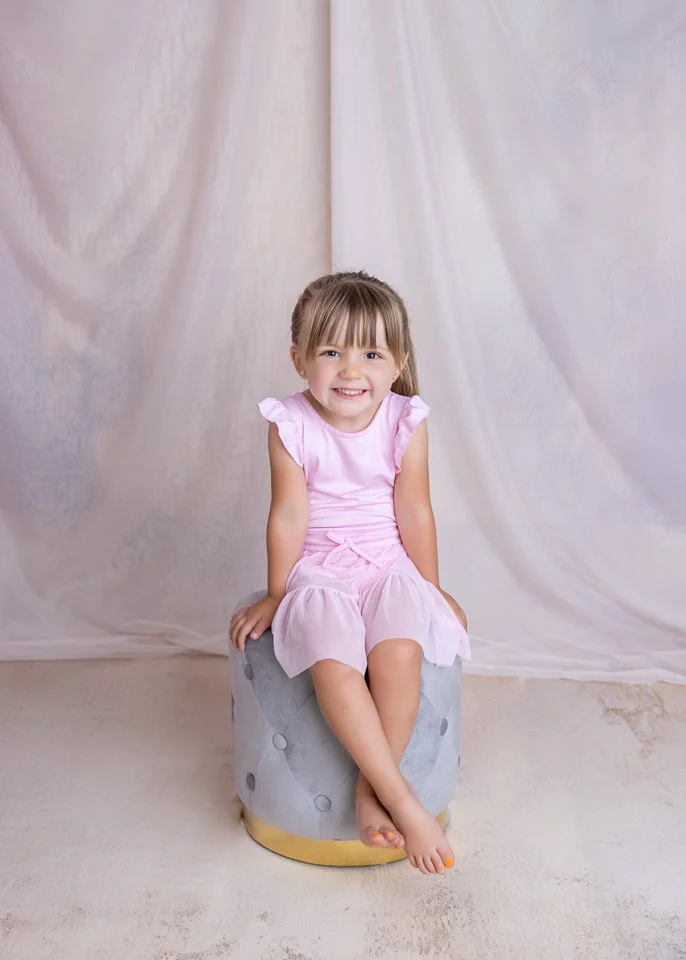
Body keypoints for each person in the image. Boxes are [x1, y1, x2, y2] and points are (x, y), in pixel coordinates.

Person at [230, 271, 470, 875]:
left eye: (370, 353)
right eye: (330, 352)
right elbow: (288, 514)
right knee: (335, 665)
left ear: (398, 363)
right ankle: (402, 800)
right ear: (299, 359)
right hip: (320, 571)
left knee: (399, 654)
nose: (349, 370)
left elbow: (414, 511)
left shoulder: (403, 421)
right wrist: (280, 594)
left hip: (386, 563)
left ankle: (372, 791)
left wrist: (432, 590)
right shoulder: (290, 424)